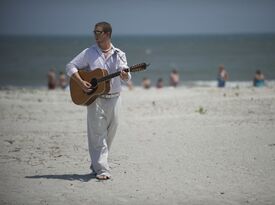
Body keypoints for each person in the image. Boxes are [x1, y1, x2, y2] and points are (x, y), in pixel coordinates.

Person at [66, 22, 131, 180]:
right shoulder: (89, 52)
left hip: (115, 98)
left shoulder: (119, 54)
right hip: (95, 99)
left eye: (98, 32)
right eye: (94, 32)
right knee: (97, 135)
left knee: (110, 134)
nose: (95, 35)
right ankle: (102, 170)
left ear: (107, 34)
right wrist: (81, 82)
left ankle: (96, 164)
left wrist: (125, 75)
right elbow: (70, 66)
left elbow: (127, 75)